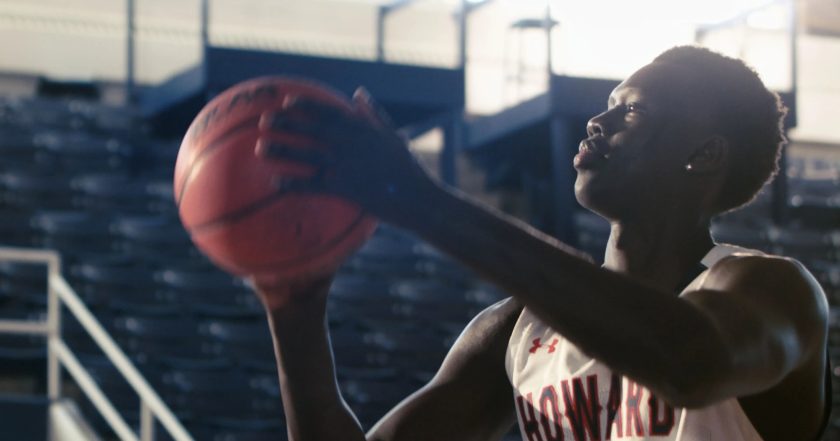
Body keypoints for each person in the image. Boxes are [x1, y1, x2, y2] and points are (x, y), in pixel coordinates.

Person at [251, 45, 831, 441]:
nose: (597, 123)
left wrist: (419, 199)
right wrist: (292, 304)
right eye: (605, 106)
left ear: (704, 155)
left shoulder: (772, 290)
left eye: (632, 110)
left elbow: (688, 363)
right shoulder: (517, 330)